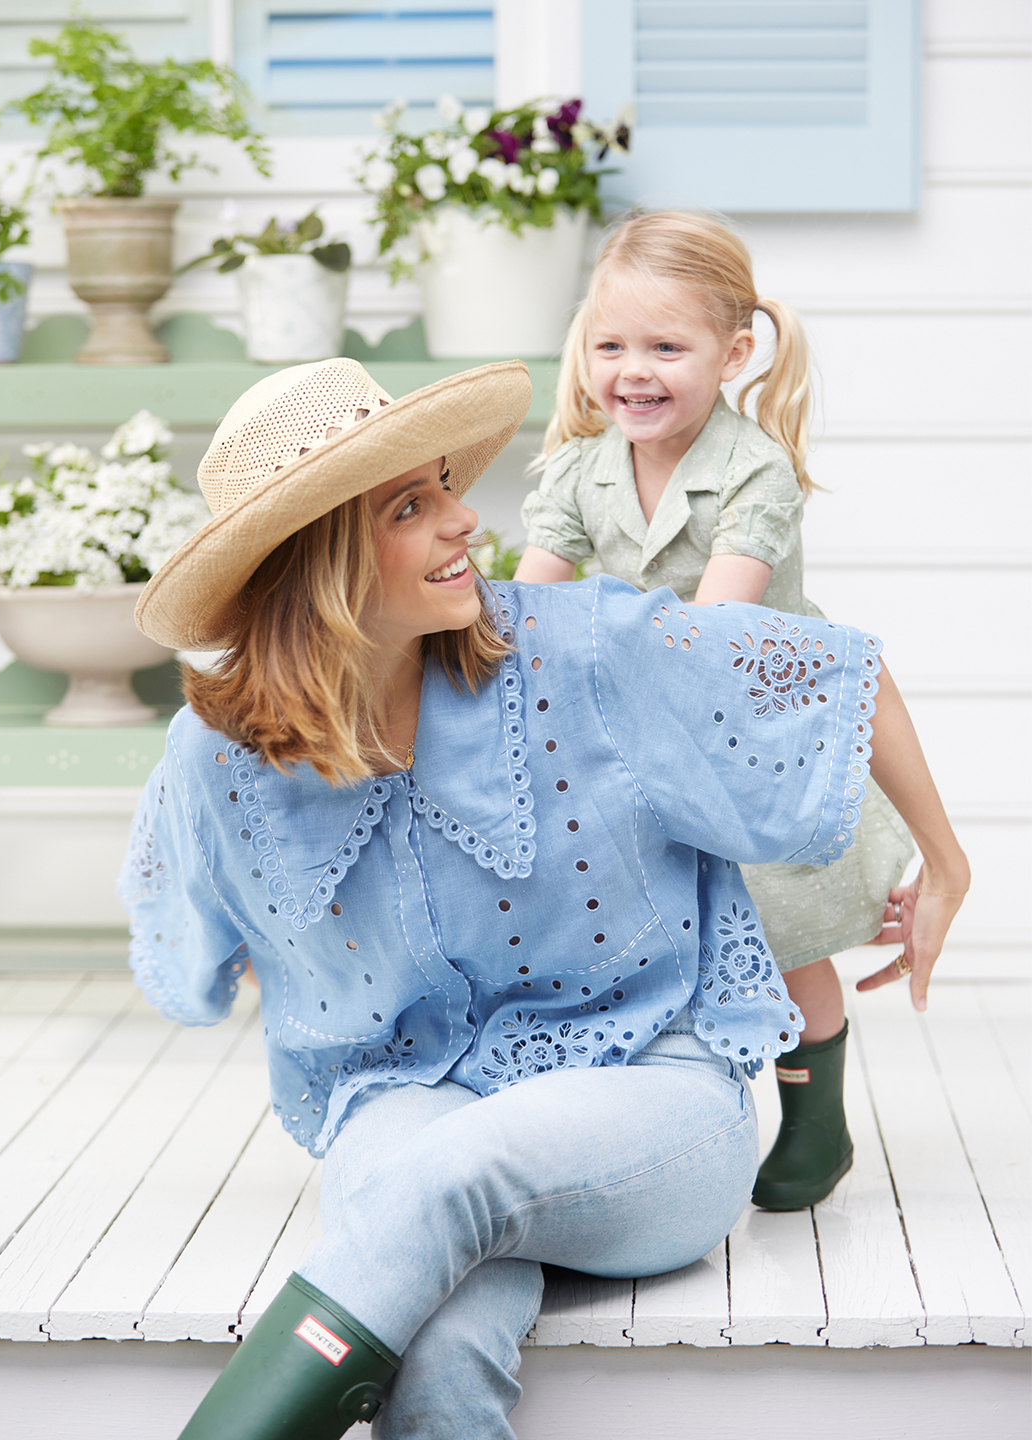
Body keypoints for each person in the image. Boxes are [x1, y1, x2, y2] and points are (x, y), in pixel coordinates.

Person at [121, 357, 967, 1440]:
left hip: (645, 1092)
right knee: (438, 1335)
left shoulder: (585, 650)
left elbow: (834, 673)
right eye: (411, 506)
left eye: (444, 488)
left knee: (444, 1179)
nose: (467, 520)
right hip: (402, 1102)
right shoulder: (216, 753)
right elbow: (188, 948)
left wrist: (945, 859)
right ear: (318, 556)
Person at [513, 210, 914, 1210]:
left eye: (665, 347)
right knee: (640, 933)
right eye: (611, 346)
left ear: (733, 354)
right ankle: (663, 1115)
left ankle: (816, 1114)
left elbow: (708, 632)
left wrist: (586, 645)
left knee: (784, 936)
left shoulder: (752, 470)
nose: (632, 371)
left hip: (755, 739)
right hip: (638, 739)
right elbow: (529, 604)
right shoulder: (575, 468)